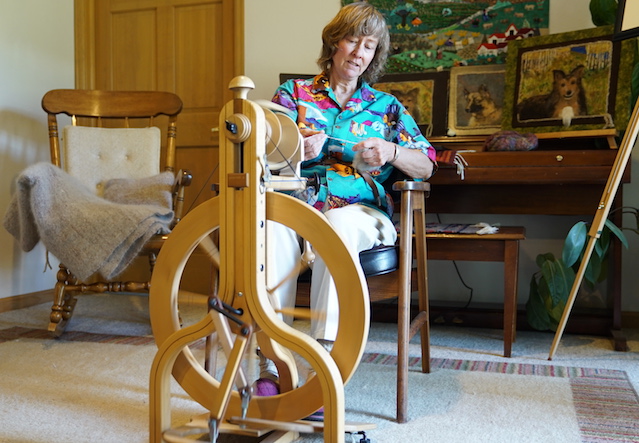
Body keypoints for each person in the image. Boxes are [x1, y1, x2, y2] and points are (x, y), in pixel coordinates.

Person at [256, 2, 438, 396]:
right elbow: (266, 155)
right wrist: (296, 151)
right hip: (299, 204)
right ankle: (270, 368)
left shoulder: (387, 107)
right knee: (269, 228)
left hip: (360, 214)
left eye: (369, 46)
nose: (359, 53)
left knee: (336, 228)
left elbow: (426, 164)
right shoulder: (293, 94)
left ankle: (324, 371)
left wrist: (391, 153)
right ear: (334, 42)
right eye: (353, 41)